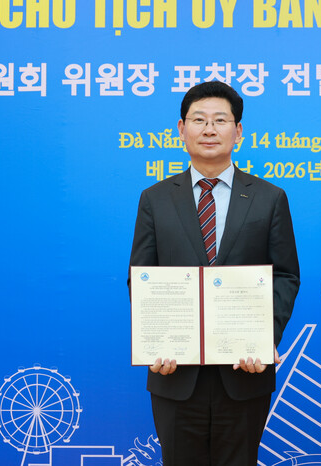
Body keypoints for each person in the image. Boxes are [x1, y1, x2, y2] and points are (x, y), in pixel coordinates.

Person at [128, 81, 300, 466]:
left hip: (244, 372)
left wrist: (264, 339)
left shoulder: (269, 198)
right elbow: (141, 277)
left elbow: (286, 276)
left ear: (238, 132)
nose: (209, 129)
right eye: (199, 120)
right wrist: (154, 341)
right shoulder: (155, 199)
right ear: (181, 129)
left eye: (220, 120)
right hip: (175, 373)